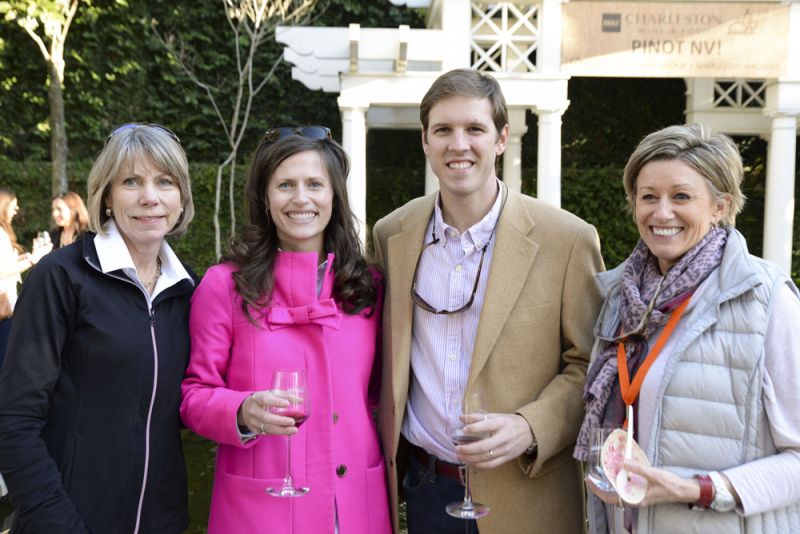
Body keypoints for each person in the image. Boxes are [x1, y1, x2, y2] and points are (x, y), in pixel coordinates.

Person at [372, 68, 604, 533]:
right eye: (443, 130)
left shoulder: (567, 239)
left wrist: (531, 426)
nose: (459, 145)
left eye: (474, 129)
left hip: (526, 493)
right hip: (425, 491)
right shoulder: (389, 235)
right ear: (425, 140)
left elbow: (593, 366)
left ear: (501, 139)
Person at [576, 124, 800, 532]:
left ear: (720, 206)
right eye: (648, 197)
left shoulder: (765, 299)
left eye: (681, 196)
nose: (662, 213)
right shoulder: (620, 299)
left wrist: (695, 489)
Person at [180, 128, 391, 533]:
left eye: (315, 184)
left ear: (335, 196)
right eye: (285, 185)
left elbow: (382, 393)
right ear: (265, 197)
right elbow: (194, 395)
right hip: (261, 511)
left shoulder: (369, 287)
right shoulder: (224, 285)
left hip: (353, 508)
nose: (301, 198)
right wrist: (241, 410)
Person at [0, 123, 196, 532]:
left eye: (165, 181)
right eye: (131, 181)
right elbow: (14, 419)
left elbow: (178, 406)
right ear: (106, 195)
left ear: (182, 196)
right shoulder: (62, 277)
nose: (150, 197)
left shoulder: (188, 288)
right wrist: (58, 523)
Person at [0, 188, 51, 366]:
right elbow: (2, 269)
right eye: (13, 206)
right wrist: (33, 260)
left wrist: (26, 257)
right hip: (3, 308)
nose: (16, 209)